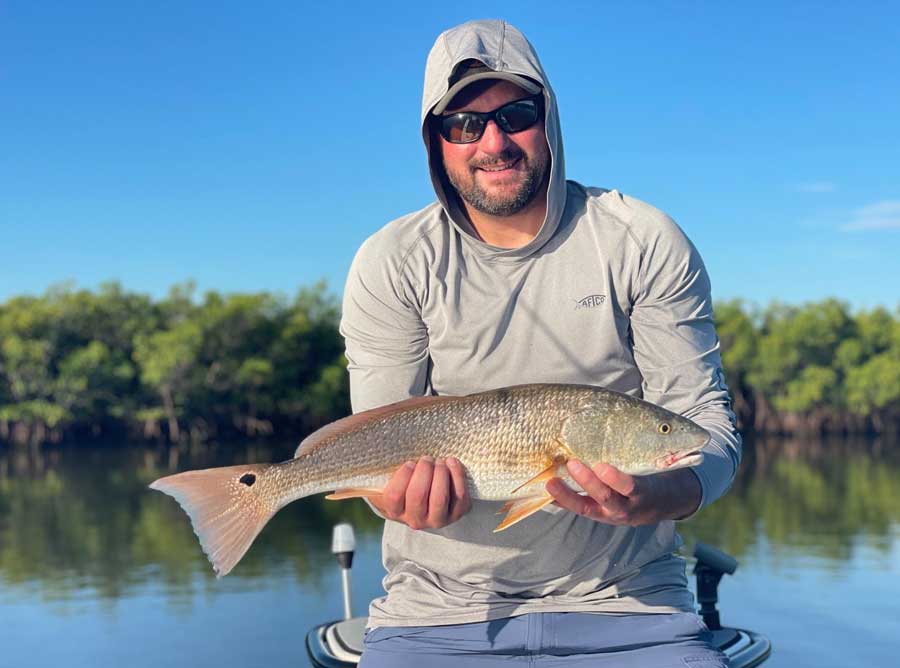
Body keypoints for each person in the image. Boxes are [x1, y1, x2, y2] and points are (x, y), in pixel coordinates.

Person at [333, 19, 740, 667]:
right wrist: (398, 499)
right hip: (436, 608)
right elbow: (379, 435)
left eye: (515, 114)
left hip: (630, 602)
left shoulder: (644, 238)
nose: (493, 141)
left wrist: (663, 495)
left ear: (548, 118)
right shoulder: (391, 260)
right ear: (436, 143)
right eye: (463, 123)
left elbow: (708, 428)